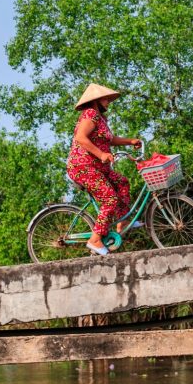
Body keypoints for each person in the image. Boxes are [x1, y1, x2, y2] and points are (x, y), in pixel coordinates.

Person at [66, 83, 142, 256]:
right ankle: (95, 239)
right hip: (83, 166)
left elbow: (110, 139)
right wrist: (101, 154)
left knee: (122, 182)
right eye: (105, 99)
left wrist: (130, 141)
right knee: (110, 199)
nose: (108, 102)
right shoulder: (90, 114)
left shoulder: (101, 119)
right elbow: (80, 137)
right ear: (95, 100)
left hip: (98, 168)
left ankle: (122, 221)